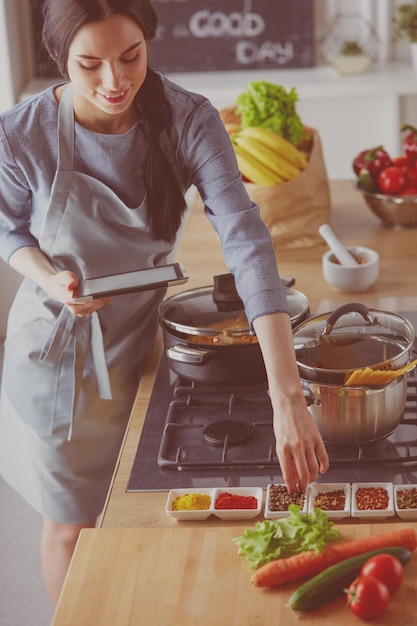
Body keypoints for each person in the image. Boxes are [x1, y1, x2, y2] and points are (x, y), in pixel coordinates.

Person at [0, 0, 329, 605]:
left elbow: (246, 241)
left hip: (143, 344)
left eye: (131, 57)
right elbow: (9, 230)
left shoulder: (187, 119)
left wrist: (289, 394)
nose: (115, 81)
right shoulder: (21, 133)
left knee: (127, 514)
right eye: (89, 64)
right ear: (58, 59)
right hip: (56, 356)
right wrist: (49, 279)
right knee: (72, 527)